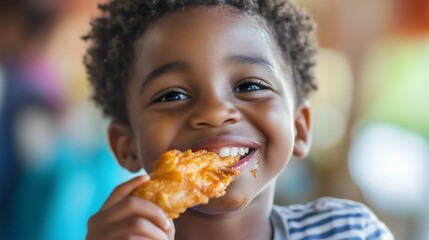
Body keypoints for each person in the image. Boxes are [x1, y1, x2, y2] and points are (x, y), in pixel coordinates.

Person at [83, 0, 394, 239]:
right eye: (172, 95)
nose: (215, 112)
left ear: (299, 127)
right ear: (126, 145)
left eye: (250, 87)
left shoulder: (350, 232)